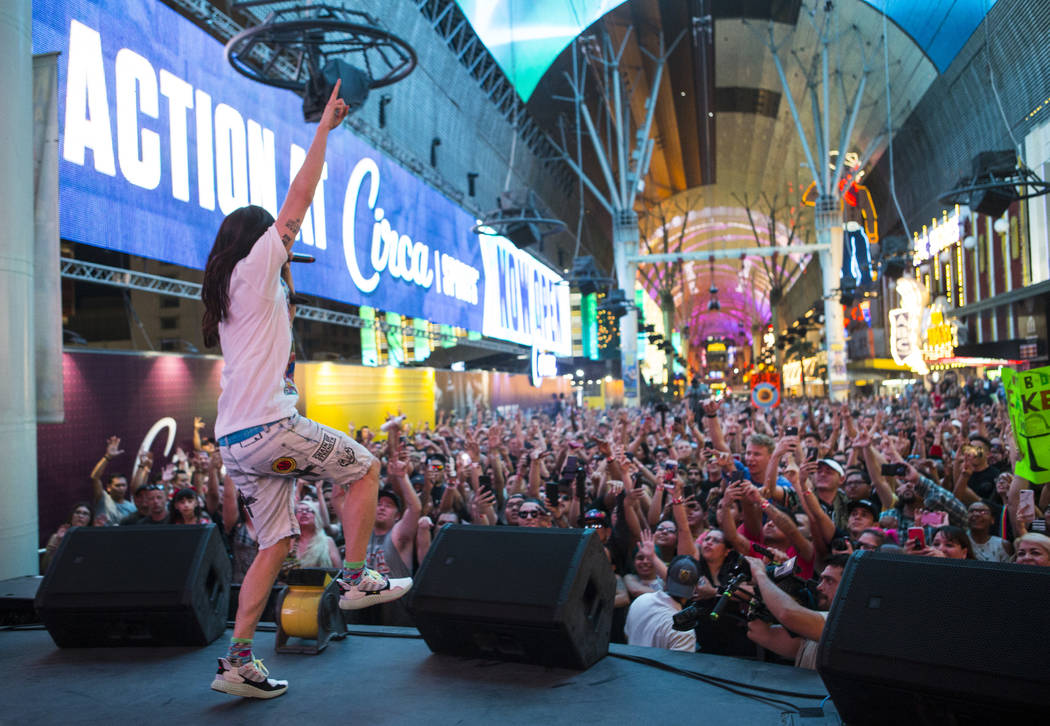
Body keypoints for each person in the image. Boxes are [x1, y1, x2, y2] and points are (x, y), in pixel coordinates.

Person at [202, 81, 409, 700]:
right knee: (366, 468)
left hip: (235, 443)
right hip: (270, 431)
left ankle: (238, 660)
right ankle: (354, 576)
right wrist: (324, 128)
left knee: (275, 543)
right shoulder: (260, 263)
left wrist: (286, 274)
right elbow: (300, 196)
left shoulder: (234, 288)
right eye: (277, 241)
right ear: (261, 241)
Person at [745, 554, 848, 670]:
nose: (819, 587)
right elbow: (757, 632)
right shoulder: (812, 633)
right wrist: (762, 587)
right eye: (821, 579)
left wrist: (761, 575)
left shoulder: (844, 624)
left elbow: (787, 614)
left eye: (829, 581)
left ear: (850, 587)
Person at [624, 555, 698, 652]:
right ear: (695, 588)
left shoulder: (640, 600)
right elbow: (678, 665)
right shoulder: (684, 631)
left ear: (665, 579)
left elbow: (627, 635)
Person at [42, 502, 94, 571]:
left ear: (90, 519)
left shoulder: (92, 538)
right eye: (77, 512)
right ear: (72, 516)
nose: (80, 516)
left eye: (85, 514)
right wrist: (53, 551)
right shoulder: (57, 537)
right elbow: (45, 567)